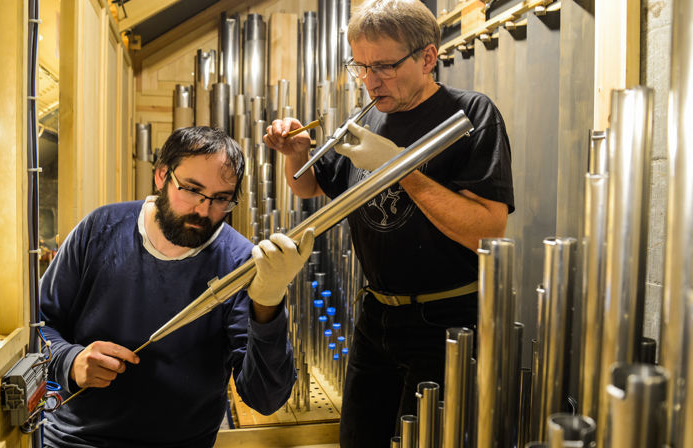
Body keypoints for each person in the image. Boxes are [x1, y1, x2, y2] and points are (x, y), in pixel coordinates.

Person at [263, 0, 514, 445]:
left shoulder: (470, 115)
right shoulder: (368, 114)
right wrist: (296, 154)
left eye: (383, 66)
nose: (369, 80)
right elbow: (311, 187)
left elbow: (488, 231)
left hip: (445, 322)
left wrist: (400, 169)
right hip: (375, 315)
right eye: (359, 66)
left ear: (428, 57)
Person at [40, 126, 315, 447]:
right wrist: (70, 361)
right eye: (191, 189)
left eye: (220, 199)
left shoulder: (239, 262)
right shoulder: (100, 228)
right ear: (161, 176)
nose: (203, 210)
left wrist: (268, 305)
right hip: (76, 440)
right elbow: (40, 324)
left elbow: (266, 399)